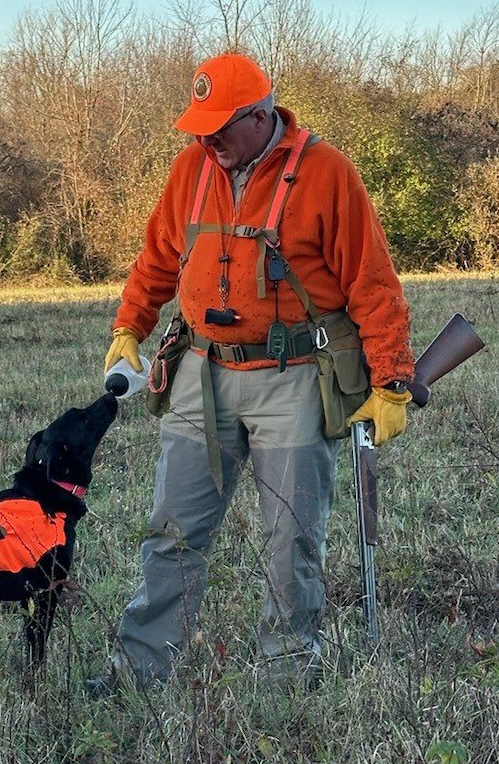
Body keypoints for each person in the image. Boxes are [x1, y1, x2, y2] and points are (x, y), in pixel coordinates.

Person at [101, 51, 415, 689]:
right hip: (199, 371)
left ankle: (287, 674)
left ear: (263, 114)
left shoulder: (328, 173)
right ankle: (140, 671)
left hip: (294, 375)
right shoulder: (191, 168)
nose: (205, 139)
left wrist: (391, 382)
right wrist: (129, 325)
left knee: (290, 538)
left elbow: (373, 283)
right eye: (199, 127)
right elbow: (159, 257)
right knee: (171, 531)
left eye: (219, 126)